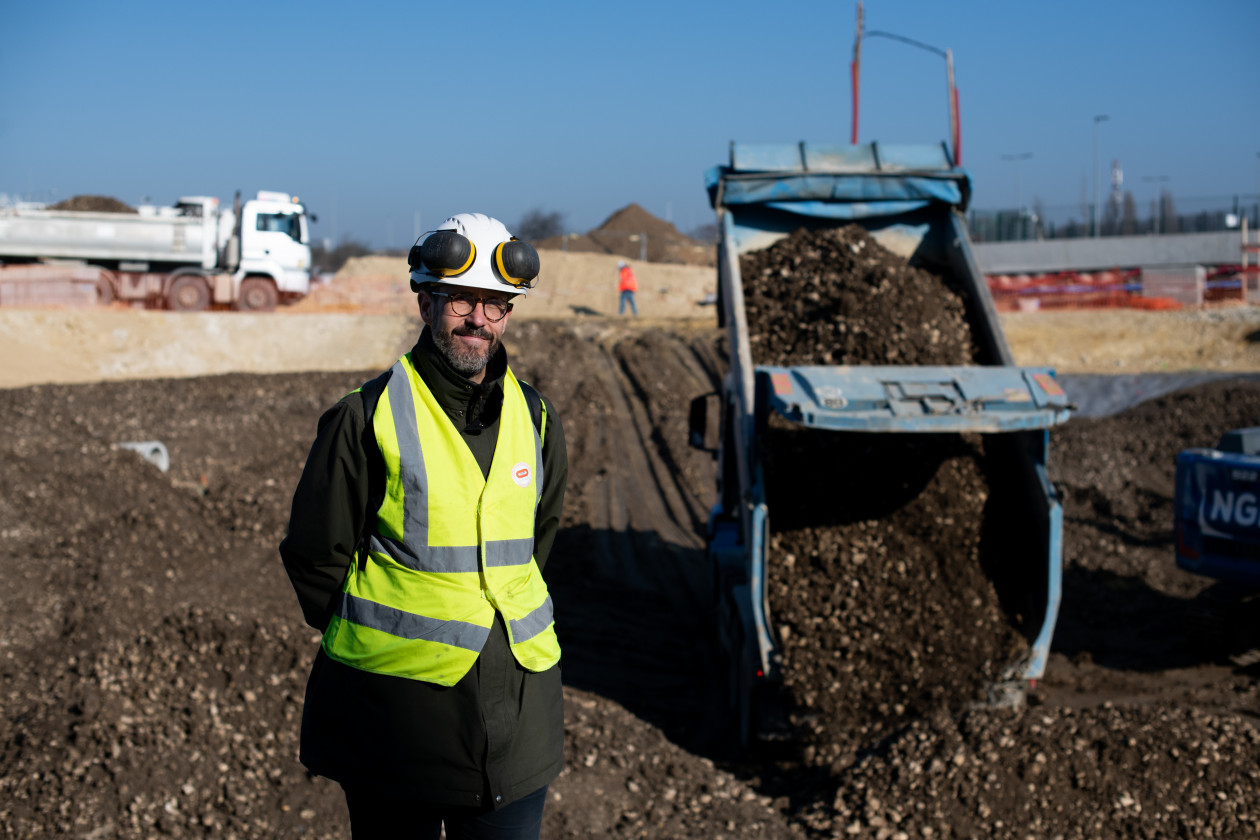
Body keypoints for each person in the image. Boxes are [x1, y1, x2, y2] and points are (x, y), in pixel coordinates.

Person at [280, 212, 568, 840]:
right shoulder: (364, 417)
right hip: (395, 729)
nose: (479, 320)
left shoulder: (538, 419)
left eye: (497, 304)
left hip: (518, 731)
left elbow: (535, 546)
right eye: (463, 299)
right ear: (426, 301)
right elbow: (313, 556)